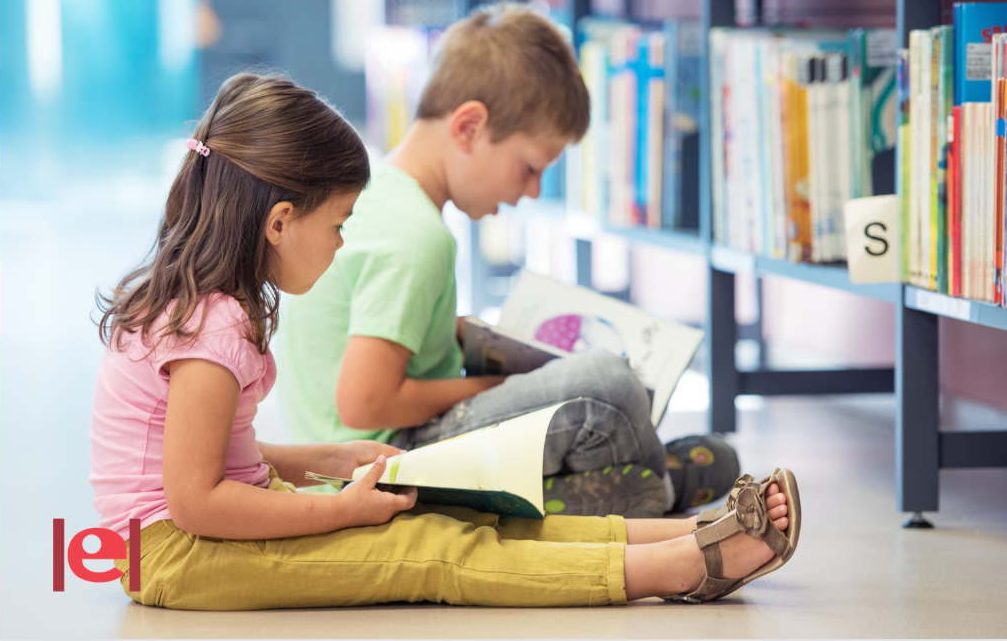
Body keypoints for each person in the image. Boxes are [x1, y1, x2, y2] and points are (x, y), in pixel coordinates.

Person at [91, 72, 799, 611]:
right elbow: (195, 502)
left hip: (186, 535)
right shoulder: (211, 326)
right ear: (279, 222)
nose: (342, 245)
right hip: (171, 554)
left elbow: (217, 457)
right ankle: (678, 568)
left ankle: (686, 532)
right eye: (339, 225)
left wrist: (333, 459)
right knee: (429, 550)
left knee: (459, 514)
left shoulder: (211, 308)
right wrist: (337, 508)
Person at [278, 4, 740, 519]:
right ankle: (653, 486)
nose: (532, 190)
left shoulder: (379, 197)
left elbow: (367, 330)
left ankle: (622, 486)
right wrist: (502, 386)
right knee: (610, 385)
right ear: (470, 128)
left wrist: (461, 333)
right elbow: (364, 403)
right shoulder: (416, 235)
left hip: (346, 462)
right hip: (388, 463)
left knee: (672, 432)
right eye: (529, 167)